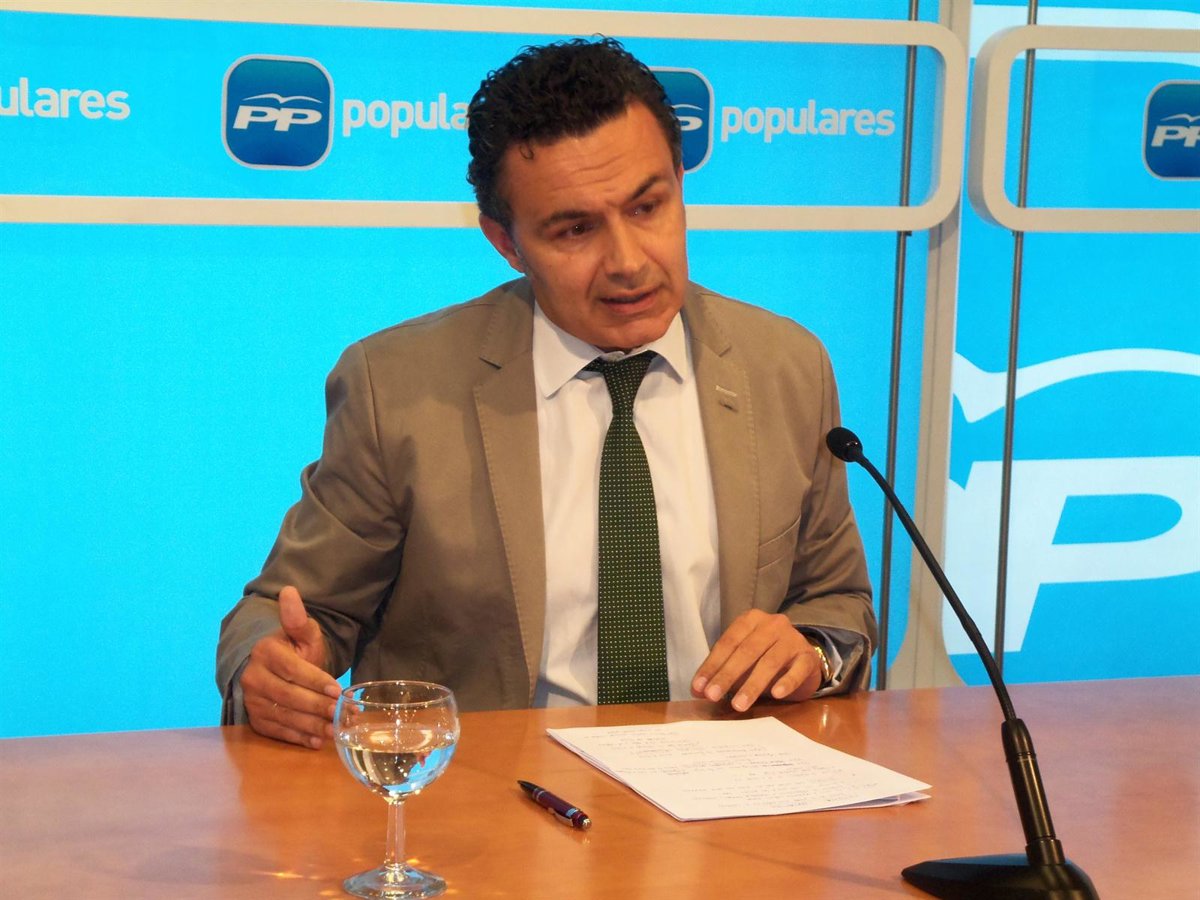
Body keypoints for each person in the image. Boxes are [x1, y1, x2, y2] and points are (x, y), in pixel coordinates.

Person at [217, 37, 875, 749]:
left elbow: (837, 605)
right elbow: (287, 612)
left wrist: (811, 654)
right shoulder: (399, 388)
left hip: (726, 789)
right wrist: (268, 667)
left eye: (648, 207)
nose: (628, 261)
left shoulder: (784, 367)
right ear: (506, 242)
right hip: (486, 797)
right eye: (575, 229)